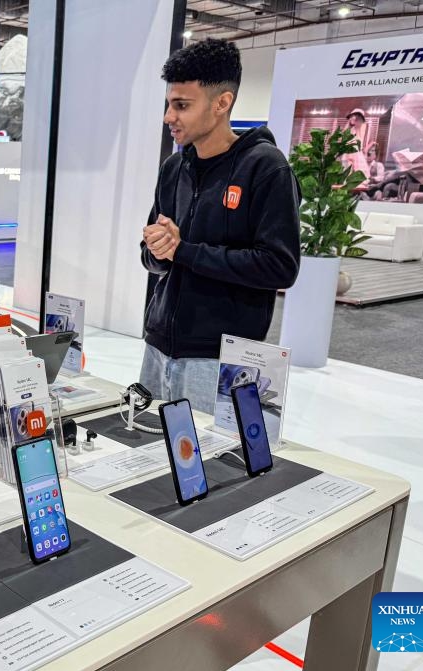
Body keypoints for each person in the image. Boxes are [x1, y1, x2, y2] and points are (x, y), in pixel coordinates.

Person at [140, 38, 300, 413]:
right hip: (158, 346)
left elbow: (280, 266)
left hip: (220, 359)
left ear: (222, 103)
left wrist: (185, 251)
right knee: (148, 459)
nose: (169, 117)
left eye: (182, 105)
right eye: (169, 104)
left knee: (212, 469)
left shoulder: (266, 168)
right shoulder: (174, 169)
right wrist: (159, 251)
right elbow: (152, 258)